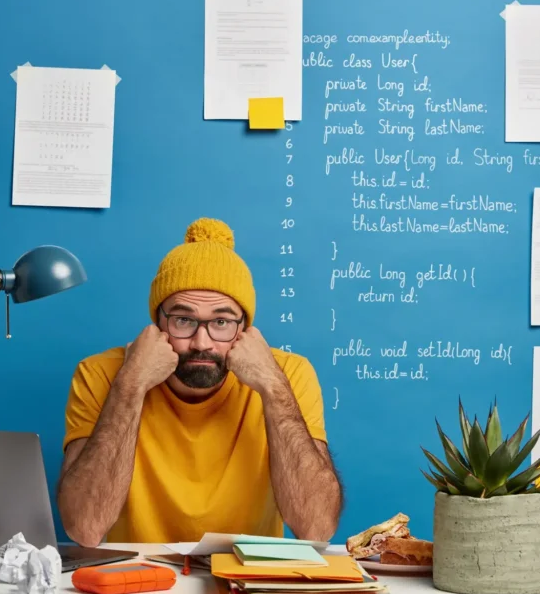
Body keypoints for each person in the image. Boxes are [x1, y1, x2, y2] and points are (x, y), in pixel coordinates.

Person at [57, 217, 343, 546]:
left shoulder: (288, 374)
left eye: (221, 321)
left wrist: (274, 388)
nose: (202, 343)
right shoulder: (102, 374)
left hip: (247, 582)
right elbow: (84, 527)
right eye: (183, 320)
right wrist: (131, 383)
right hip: (138, 582)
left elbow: (317, 528)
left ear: (245, 328)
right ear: (157, 323)